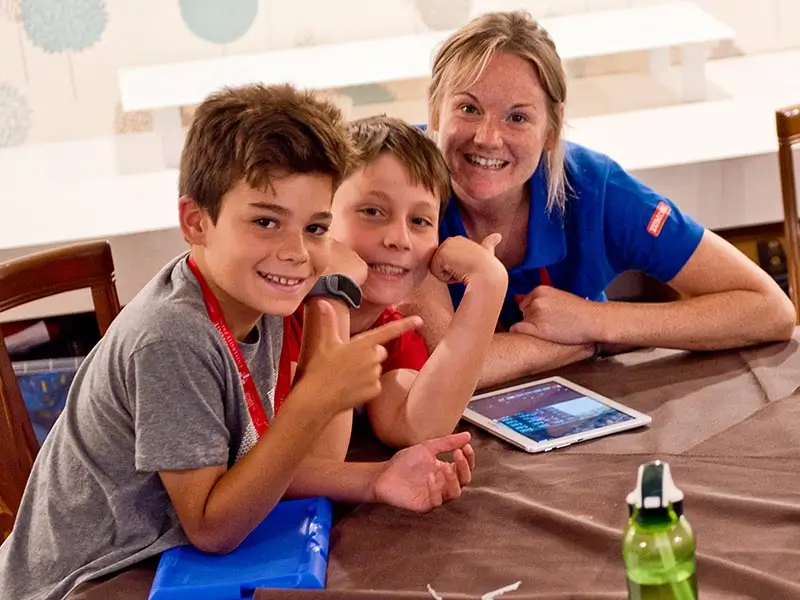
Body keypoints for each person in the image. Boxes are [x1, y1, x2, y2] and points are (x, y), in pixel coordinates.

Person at [0, 84, 475, 600]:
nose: (296, 253)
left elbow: (257, 467)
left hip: (167, 557)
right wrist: (319, 396)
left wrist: (377, 478)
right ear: (196, 222)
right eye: (266, 221)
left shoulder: (261, 297)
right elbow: (212, 528)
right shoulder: (171, 337)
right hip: (89, 580)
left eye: (315, 227)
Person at [403, 11, 796, 388]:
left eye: (517, 118)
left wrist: (595, 319)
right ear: (435, 111)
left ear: (552, 129)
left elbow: (769, 309)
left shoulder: (594, 188)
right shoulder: (402, 182)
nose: (488, 137)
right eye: (468, 108)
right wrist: (577, 344)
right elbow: (443, 369)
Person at [281, 116, 508, 453]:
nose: (399, 239)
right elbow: (316, 457)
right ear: (319, 221)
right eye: (372, 212)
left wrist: (488, 287)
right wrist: (334, 293)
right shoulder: (279, 320)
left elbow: (416, 426)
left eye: (420, 221)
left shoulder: (394, 333)